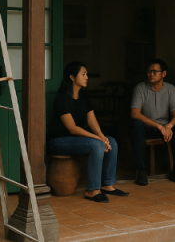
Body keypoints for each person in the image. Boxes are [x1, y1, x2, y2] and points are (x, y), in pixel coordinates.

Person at [47, 61, 128, 203]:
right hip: (60, 141)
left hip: (79, 140)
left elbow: (92, 120)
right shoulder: (62, 98)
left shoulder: (84, 96)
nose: (86, 77)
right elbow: (72, 128)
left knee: (112, 142)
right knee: (96, 144)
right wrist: (98, 139)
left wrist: (102, 137)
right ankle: (93, 190)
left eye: (87, 74)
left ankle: (107, 184)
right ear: (72, 77)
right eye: (83, 74)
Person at [130, 58, 175, 186]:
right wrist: (159, 126)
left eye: (155, 71)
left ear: (164, 74)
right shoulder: (140, 88)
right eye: (149, 71)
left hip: (166, 127)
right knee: (136, 125)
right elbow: (135, 113)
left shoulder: (171, 89)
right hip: (148, 126)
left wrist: (168, 126)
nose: (151, 74)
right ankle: (141, 171)